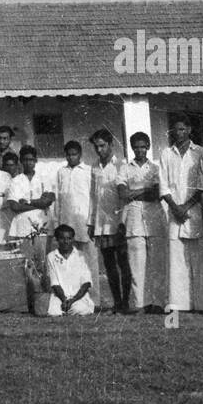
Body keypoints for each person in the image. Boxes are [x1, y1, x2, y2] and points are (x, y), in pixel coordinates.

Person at [160, 115, 203, 313]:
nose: (178, 133)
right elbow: (164, 186)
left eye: (182, 129)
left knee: (199, 260)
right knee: (177, 261)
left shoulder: (200, 152)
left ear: (189, 130)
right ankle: (179, 305)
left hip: (196, 212)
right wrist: (175, 207)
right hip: (174, 214)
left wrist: (187, 206)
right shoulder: (166, 154)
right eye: (175, 130)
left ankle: (201, 304)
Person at [117, 132, 167, 313]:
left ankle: (159, 303)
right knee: (137, 264)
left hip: (154, 218)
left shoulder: (155, 168)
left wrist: (134, 192)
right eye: (136, 147)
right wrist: (144, 189)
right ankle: (140, 304)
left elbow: (155, 193)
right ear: (132, 148)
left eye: (143, 146)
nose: (139, 150)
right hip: (134, 220)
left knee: (157, 264)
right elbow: (122, 193)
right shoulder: (125, 168)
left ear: (148, 146)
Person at [89, 128, 131, 313]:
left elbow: (125, 197)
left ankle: (126, 302)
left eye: (102, 146)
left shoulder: (122, 165)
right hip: (101, 222)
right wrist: (91, 222)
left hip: (118, 222)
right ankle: (117, 302)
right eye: (96, 147)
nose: (99, 150)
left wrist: (124, 221)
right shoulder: (94, 167)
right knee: (109, 265)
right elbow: (93, 196)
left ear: (111, 144)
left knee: (123, 263)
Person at [52, 139, 97, 295]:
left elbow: (92, 197)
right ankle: (71, 296)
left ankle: (94, 299)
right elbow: (58, 199)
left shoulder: (88, 171)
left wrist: (92, 221)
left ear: (80, 154)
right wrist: (57, 223)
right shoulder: (61, 172)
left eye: (74, 154)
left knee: (89, 261)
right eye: (69, 155)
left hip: (84, 222)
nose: (71, 158)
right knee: (69, 261)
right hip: (66, 223)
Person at [46, 224, 96, 317]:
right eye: (62, 238)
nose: (66, 242)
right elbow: (55, 283)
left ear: (73, 239)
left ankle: (70, 308)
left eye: (69, 238)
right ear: (56, 239)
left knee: (81, 309)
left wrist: (73, 300)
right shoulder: (51, 256)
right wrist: (64, 300)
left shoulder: (82, 256)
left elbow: (86, 283)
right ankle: (65, 308)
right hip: (60, 297)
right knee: (54, 312)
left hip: (78, 297)